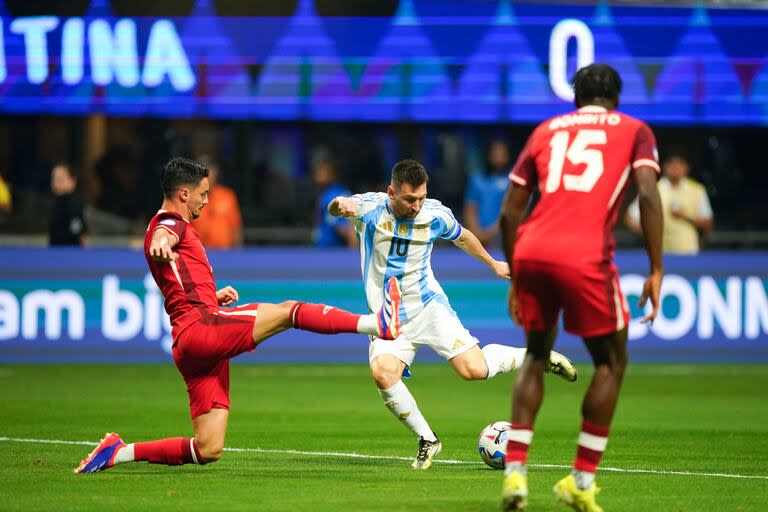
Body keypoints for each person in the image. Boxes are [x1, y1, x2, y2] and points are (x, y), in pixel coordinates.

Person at [74, 157, 402, 474]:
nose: (206, 200)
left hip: (190, 341)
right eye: (203, 194)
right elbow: (165, 236)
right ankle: (376, 323)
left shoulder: (168, 225)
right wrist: (161, 242)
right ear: (183, 194)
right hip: (201, 329)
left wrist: (210, 296)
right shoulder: (168, 225)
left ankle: (118, 452)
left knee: (208, 447)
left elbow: (177, 284)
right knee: (289, 311)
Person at [329, 159, 577, 471]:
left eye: (421, 197)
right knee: (383, 372)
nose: (417, 205)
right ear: (391, 192)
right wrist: (339, 207)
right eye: (409, 199)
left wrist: (495, 263)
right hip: (387, 316)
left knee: (473, 370)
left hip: (429, 307)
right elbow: (339, 205)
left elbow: (462, 236)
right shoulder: (371, 208)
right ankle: (427, 440)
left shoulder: (435, 213)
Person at [498, 63, 663, 511]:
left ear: (576, 99)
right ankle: (581, 481)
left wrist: (517, 273)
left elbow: (510, 212)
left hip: (532, 247)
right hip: (586, 252)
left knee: (534, 354)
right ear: (617, 98)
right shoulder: (635, 130)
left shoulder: (546, 130)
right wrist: (656, 267)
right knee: (610, 362)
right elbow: (648, 195)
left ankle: (515, 476)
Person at [625, 152, 713, 255]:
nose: (675, 167)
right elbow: (630, 218)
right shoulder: (653, 189)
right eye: (671, 163)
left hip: (689, 253)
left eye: (679, 163)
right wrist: (650, 233)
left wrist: (686, 217)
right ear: (664, 167)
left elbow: (708, 222)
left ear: (686, 168)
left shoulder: (697, 190)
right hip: (660, 254)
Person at [463, 139, 512, 247]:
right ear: (489, 155)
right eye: (495, 153)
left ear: (507, 156)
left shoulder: (513, 181)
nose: (498, 157)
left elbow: (512, 212)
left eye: (501, 154)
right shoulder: (476, 179)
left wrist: (491, 233)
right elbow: (470, 208)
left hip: (501, 240)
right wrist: (476, 234)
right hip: (477, 240)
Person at [191, 158, 243, 249]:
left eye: (210, 172)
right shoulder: (190, 199)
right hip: (200, 254)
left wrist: (238, 254)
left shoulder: (228, 196)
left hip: (226, 254)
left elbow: (236, 228)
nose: (207, 176)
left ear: (216, 173)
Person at [313, 159, 356, 247]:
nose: (320, 175)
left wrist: (354, 253)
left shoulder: (336, 194)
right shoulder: (324, 194)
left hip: (334, 251)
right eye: (319, 172)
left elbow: (347, 227)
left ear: (332, 174)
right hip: (323, 248)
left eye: (325, 172)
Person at [49, 163, 87, 246]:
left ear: (72, 181)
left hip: (70, 252)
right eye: (53, 178)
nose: (55, 183)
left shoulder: (74, 203)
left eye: (60, 179)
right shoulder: (57, 202)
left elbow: (79, 232)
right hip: (56, 251)